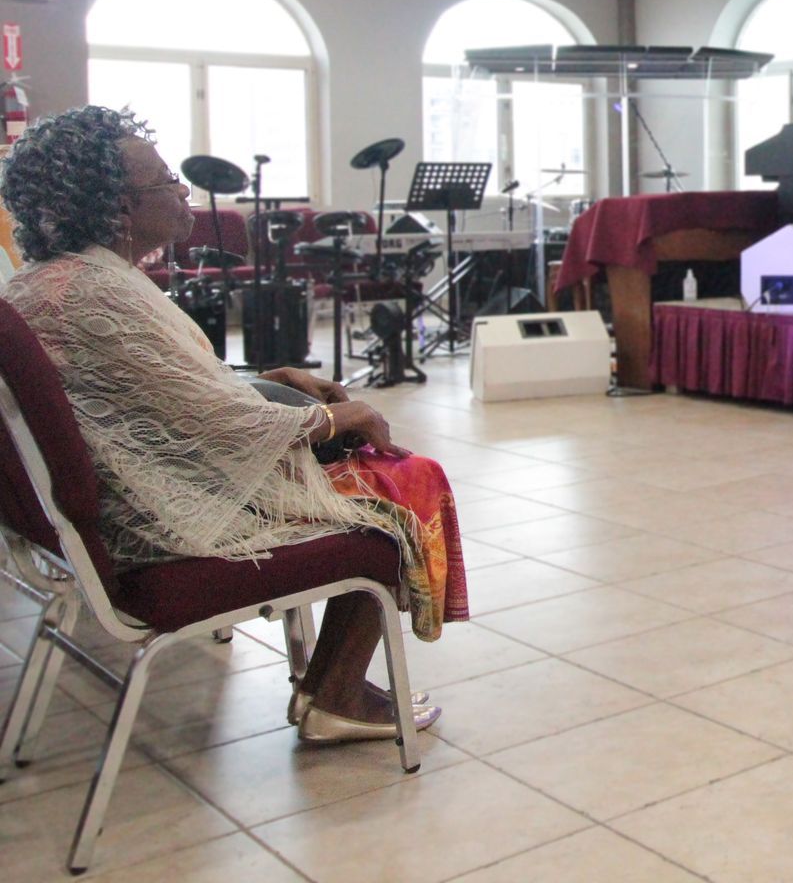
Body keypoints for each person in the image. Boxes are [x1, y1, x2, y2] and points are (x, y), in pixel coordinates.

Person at [0, 107, 467, 740]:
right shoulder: (96, 293)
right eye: (166, 181)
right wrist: (336, 415)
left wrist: (268, 379)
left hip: (80, 527)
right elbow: (215, 422)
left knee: (370, 467)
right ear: (116, 206)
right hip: (151, 529)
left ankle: (332, 685)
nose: (182, 191)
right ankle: (335, 697)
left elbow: (161, 391)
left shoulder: (52, 283)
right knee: (400, 487)